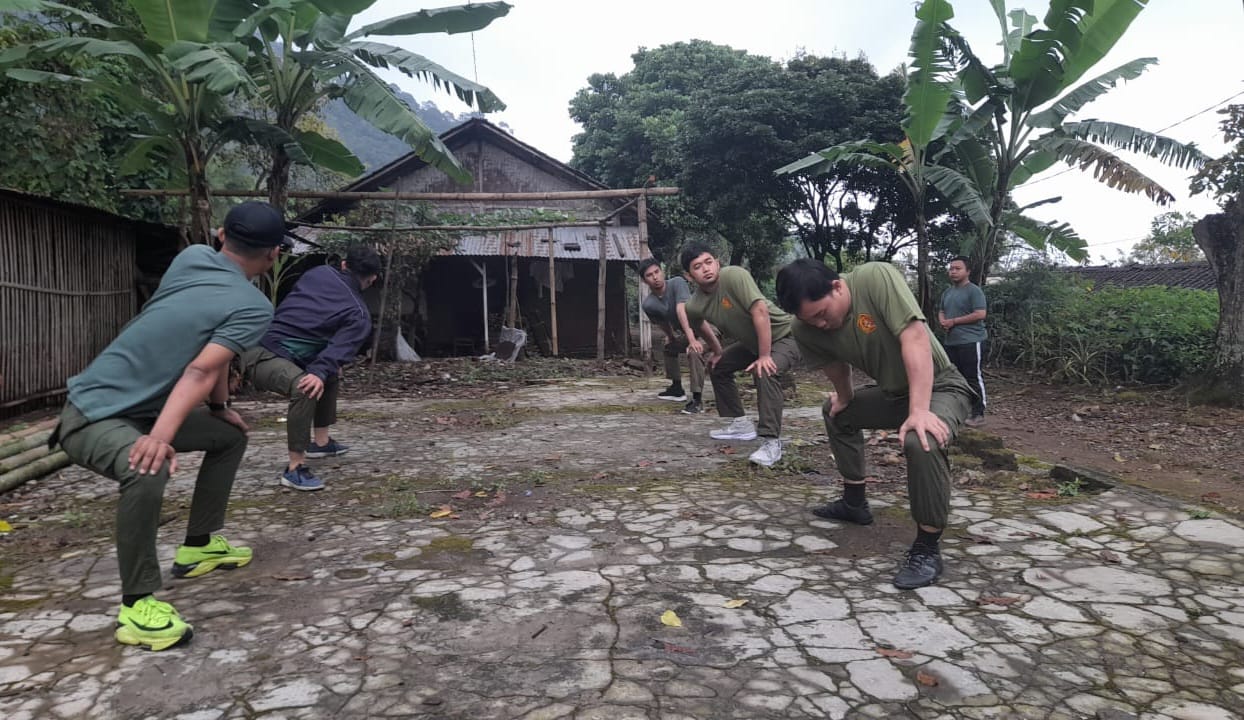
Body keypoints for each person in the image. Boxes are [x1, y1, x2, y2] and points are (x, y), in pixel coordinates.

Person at [53, 201, 289, 650]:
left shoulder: (192, 257)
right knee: (148, 465)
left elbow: (212, 351)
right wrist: (159, 439)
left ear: (221, 235)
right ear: (274, 253)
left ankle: (199, 544)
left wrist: (221, 409)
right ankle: (137, 605)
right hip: (93, 414)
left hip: (142, 411)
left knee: (228, 437)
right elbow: (198, 371)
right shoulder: (254, 305)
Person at [775, 258, 973, 590]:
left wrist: (920, 410)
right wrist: (845, 397)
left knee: (920, 439)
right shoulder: (804, 327)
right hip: (894, 394)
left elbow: (915, 337)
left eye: (822, 314)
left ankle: (927, 548)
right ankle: (854, 503)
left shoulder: (874, 278)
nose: (820, 325)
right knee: (836, 412)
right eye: (810, 320)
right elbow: (833, 364)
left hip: (940, 387)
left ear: (838, 286)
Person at [241, 244, 382, 491]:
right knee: (306, 386)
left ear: (344, 265)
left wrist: (322, 369)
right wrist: (317, 371)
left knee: (329, 373)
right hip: (261, 355)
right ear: (372, 278)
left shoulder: (319, 273)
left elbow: (331, 354)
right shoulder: (359, 314)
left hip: (260, 347)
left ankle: (321, 442)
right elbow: (341, 347)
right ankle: (295, 467)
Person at [681, 243, 801, 467]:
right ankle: (740, 424)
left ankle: (771, 443)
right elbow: (700, 326)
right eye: (698, 266)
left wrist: (764, 356)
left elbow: (760, 311)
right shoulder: (694, 305)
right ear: (689, 276)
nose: (706, 269)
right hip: (753, 343)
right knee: (717, 366)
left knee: (765, 370)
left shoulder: (735, 275)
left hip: (787, 335)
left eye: (709, 262)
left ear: (717, 262)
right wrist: (717, 351)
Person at [639, 258, 706, 414]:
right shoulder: (649, 304)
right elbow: (662, 322)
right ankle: (676, 388)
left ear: (662, 271)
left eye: (657, 272)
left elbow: (681, 311)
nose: (655, 277)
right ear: (644, 280)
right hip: (689, 333)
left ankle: (697, 399)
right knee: (669, 348)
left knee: (693, 351)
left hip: (706, 327)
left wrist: (691, 340)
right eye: (650, 275)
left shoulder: (677, 283)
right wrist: (671, 336)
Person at [939, 256, 988, 426]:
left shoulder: (974, 291)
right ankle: (959, 411)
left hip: (971, 340)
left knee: (972, 376)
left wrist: (954, 321)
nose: (953, 271)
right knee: (954, 377)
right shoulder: (948, 292)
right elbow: (941, 310)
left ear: (967, 271)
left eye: (957, 268)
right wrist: (943, 320)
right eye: (951, 268)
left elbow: (980, 314)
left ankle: (978, 413)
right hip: (951, 341)